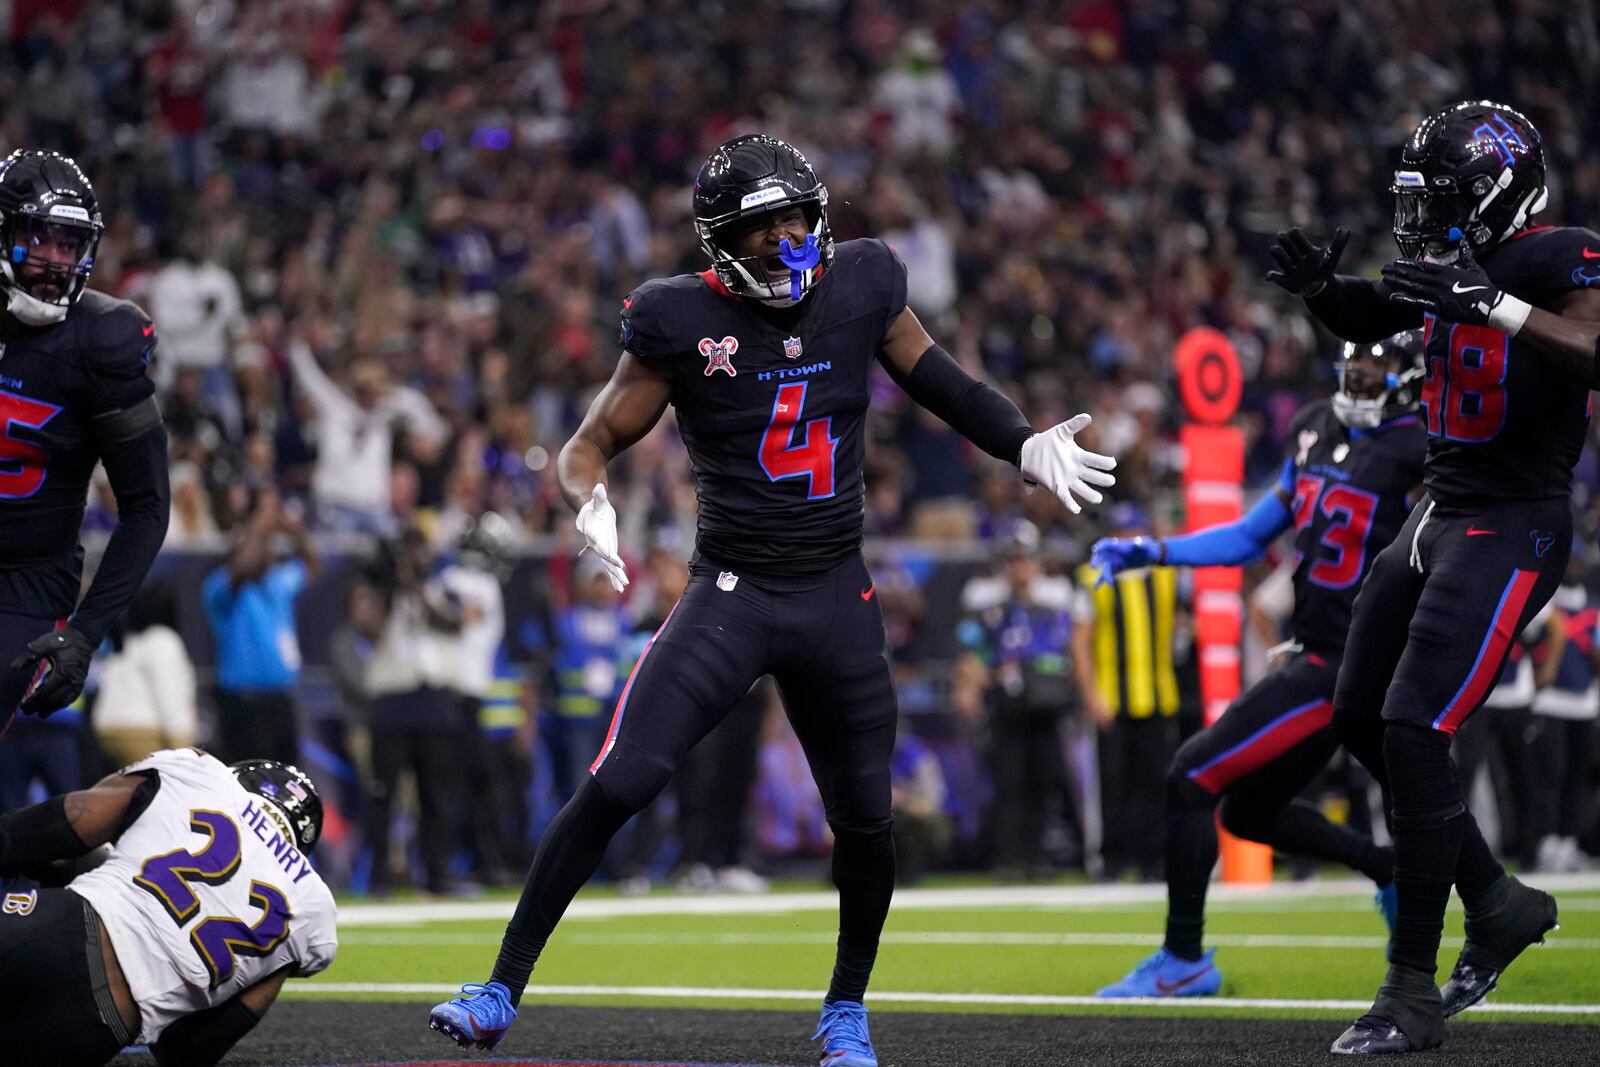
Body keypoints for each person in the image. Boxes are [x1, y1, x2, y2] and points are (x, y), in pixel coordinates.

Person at [429, 133, 1117, 1065]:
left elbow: (940, 378)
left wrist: (1021, 441)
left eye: (799, 219)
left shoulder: (863, 283)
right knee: (622, 777)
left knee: (866, 816)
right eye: (765, 227)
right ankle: (500, 985)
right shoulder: (679, 319)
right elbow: (591, 438)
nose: (789, 240)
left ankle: (846, 1009)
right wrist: (584, 495)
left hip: (837, 590)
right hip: (732, 593)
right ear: (722, 242)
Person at [1267, 100, 1596, 1054]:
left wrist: (1488, 302)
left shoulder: (1563, 252)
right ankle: (1494, 898)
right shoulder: (1464, 260)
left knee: (1416, 725)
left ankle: (1408, 989)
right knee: (1359, 712)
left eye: (1443, 198)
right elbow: (1382, 305)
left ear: (1498, 192)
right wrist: (1323, 292)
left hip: (1512, 519)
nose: (1425, 216)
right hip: (1437, 515)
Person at [1091, 331, 1427, 998]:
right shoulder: (1312, 426)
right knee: (1248, 812)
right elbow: (1249, 536)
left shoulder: (1418, 448)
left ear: (1410, 373)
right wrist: (1155, 551)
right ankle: (1383, 864)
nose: (1361, 370)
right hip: (1310, 651)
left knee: (1190, 774)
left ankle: (1183, 957)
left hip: (1346, 662)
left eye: (1379, 360)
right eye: (1356, 355)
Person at [0, 748, 337, 1066]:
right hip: (101, 1027)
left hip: (60, 928)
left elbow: (71, 819)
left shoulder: (202, 773)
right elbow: (187, 1050)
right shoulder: (312, 911)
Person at [0, 149, 169, 736]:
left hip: (25, 583)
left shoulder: (101, 341)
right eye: (39, 239)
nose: (54, 261)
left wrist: (84, 633)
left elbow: (147, 506)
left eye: (68, 245)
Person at [1072, 502, 1181, 881]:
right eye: (1121, 534)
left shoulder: (1163, 575)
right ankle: (1111, 861)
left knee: (1154, 782)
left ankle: (1153, 860)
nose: (1128, 541)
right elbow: (1081, 642)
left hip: (1156, 694)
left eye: (1135, 533)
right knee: (1113, 786)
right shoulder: (1093, 577)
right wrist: (1091, 694)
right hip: (1113, 698)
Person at [201, 489, 320, 767]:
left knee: (287, 779)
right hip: (243, 705)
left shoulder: (278, 581)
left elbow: (313, 564)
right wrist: (259, 524)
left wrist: (295, 530)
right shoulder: (222, 587)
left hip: (281, 700)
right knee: (247, 779)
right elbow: (242, 566)